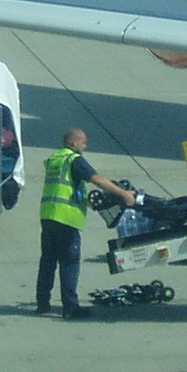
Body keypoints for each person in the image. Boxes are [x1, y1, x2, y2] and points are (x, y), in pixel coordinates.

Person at [37, 128, 135, 317]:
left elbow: (67, 188)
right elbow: (97, 180)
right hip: (66, 218)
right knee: (69, 263)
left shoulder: (55, 160)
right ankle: (70, 308)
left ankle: (43, 303)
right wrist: (123, 194)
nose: (85, 146)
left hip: (48, 216)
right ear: (73, 143)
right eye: (83, 142)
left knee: (48, 261)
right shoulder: (74, 160)